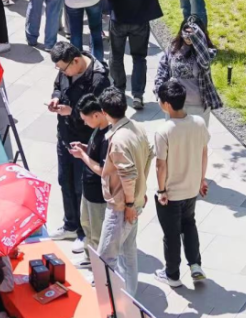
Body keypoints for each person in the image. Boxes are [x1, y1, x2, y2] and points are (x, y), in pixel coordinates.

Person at [49, 41, 111, 252]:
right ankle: (70, 224)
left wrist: (72, 112)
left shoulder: (98, 79)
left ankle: (83, 233)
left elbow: (97, 113)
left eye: (63, 68)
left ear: (75, 61)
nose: (62, 72)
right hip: (64, 136)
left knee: (80, 187)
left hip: (85, 141)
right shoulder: (66, 70)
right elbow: (58, 86)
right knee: (64, 181)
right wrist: (55, 98)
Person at [153, 79, 210, 288]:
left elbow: (160, 165)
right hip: (191, 189)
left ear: (167, 104)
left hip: (171, 193)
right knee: (189, 224)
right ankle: (195, 266)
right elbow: (204, 153)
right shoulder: (199, 123)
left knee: (171, 234)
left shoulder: (164, 131)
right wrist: (201, 179)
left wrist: (161, 190)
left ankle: (172, 274)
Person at [96, 87, 151, 295]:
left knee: (105, 258)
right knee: (128, 252)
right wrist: (140, 190)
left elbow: (128, 175)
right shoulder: (138, 128)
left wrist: (129, 204)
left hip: (122, 206)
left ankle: (113, 302)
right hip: (134, 200)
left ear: (104, 112)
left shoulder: (118, 140)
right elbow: (148, 157)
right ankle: (129, 298)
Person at [153, 17, 222, 123]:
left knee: (196, 134)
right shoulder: (172, 49)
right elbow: (161, 72)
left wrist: (197, 37)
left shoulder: (206, 52)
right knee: (173, 133)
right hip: (174, 103)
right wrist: (160, 94)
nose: (188, 37)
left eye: (192, 33)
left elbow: (204, 61)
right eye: (186, 32)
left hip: (198, 106)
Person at [68, 94, 111, 261]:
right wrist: (84, 148)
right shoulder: (98, 129)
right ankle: (89, 259)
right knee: (87, 226)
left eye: (86, 120)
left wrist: (82, 156)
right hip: (88, 190)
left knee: (97, 234)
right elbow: (95, 153)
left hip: (98, 196)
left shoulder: (108, 137)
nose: (85, 123)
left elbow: (102, 169)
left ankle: (99, 266)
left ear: (97, 115)